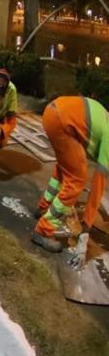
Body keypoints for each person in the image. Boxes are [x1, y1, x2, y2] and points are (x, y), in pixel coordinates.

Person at [31, 96, 108, 253]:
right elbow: (98, 186)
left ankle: (43, 208)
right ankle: (43, 231)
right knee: (77, 180)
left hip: (53, 112)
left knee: (65, 168)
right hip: (62, 120)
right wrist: (86, 226)